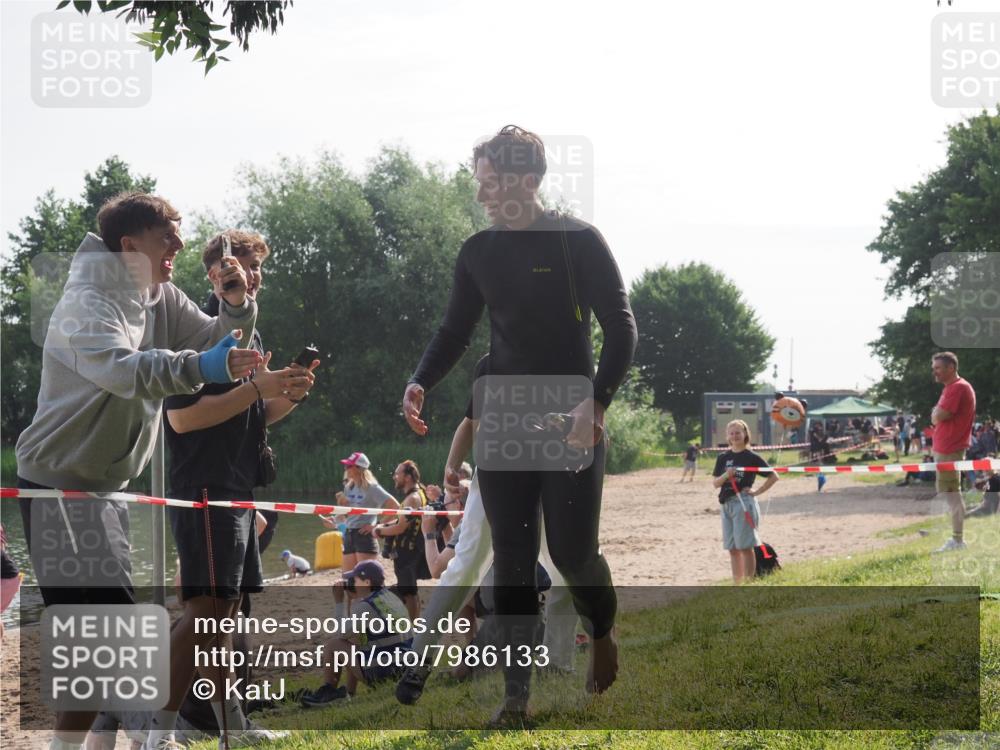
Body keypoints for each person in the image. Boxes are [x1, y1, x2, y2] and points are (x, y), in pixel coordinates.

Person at [402, 125, 637, 722]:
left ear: (528, 180)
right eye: (478, 183)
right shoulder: (478, 252)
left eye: (491, 182)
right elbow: (454, 331)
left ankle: (602, 627)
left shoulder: (577, 241)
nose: (481, 194)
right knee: (509, 557)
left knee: (573, 552)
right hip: (504, 410)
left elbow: (621, 324)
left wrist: (598, 403)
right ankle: (515, 701)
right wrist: (421, 380)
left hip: (569, 412)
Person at [13, 192, 262, 750]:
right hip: (56, 484)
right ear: (129, 246)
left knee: (91, 652)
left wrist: (237, 306)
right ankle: (157, 739)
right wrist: (201, 365)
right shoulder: (85, 302)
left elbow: (217, 344)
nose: (177, 246)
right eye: (165, 237)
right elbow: (125, 371)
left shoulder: (160, 295)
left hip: (103, 487)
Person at [151, 230, 316, 749]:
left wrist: (288, 395)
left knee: (220, 614)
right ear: (217, 275)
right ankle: (155, 732)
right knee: (205, 612)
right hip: (203, 488)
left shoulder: (252, 335)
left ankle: (233, 730)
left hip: (239, 488)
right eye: (243, 267)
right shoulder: (195, 331)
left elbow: (254, 413)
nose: (253, 276)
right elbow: (181, 420)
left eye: (258, 268)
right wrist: (256, 388)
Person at [396, 355, 581, 706]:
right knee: (465, 566)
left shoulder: (562, 353)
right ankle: (418, 661)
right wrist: (451, 467)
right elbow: (470, 422)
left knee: (564, 571)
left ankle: (558, 664)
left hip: (550, 475)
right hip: (494, 476)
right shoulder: (491, 362)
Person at [300, 561, 413, 707]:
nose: (351, 582)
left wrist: (339, 602)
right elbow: (353, 632)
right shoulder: (390, 597)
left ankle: (329, 692)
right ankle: (349, 693)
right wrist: (352, 600)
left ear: (366, 582)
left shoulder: (366, 606)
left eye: (355, 579)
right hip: (405, 668)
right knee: (355, 640)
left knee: (332, 645)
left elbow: (340, 633)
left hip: (384, 672)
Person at [711, 420, 779, 584]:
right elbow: (715, 483)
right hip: (726, 504)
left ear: (745, 434)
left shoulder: (751, 457)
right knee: (733, 548)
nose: (735, 436)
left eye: (738, 432)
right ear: (727, 436)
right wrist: (727, 475)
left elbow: (774, 476)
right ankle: (737, 584)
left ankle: (749, 584)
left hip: (743, 503)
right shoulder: (723, 457)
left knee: (745, 547)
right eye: (731, 433)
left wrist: (756, 492)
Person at [929, 352, 977, 553]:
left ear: (951, 368)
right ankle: (957, 539)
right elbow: (936, 415)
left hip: (950, 449)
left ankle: (957, 541)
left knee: (952, 495)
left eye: (938, 368)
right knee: (951, 494)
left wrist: (936, 413)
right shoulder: (951, 388)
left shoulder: (957, 388)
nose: (934, 372)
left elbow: (939, 414)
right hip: (946, 448)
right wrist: (936, 414)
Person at [372, 460, 432, 619]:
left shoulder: (412, 498)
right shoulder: (421, 492)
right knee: (411, 591)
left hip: (407, 551)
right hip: (413, 549)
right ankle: (414, 624)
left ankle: (412, 628)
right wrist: (382, 526)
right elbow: (403, 522)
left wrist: (380, 531)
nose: (394, 477)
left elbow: (401, 528)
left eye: (397, 474)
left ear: (407, 477)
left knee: (408, 593)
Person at [324, 453, 400, 574]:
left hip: (364, 536)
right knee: (348, 580)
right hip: (349, 534)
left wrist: (377, 526)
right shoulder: (349, 487)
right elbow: (346, 515)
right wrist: (334, 520)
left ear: (359, 468)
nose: (345, 469)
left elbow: (396, 507)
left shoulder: (372, 488)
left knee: (366, 580)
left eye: (349, 466)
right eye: (346, 466)